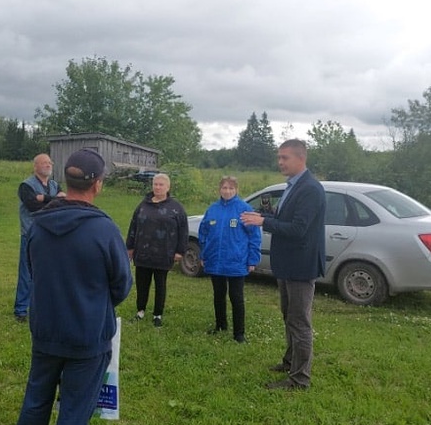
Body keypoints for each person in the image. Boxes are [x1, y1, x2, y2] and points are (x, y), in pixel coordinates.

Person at [9, 149, 132, 425]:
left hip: (46, 328)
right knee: (75, 411)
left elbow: (33, 270)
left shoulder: (38, 226)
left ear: (66, 179)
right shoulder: (104, 230)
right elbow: (122, 285)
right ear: (97, 185)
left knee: (37, 398)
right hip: (87, 334)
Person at [241, 139, 325, 390]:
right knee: (289, 316)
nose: (280, 162)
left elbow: (298, 229)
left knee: (299, 322)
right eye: (279, 157)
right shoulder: (291, 186)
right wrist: (262, 216)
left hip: (301, 265)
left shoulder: (310, 189)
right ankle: (290, 362)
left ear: (301, 158)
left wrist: (263, 223)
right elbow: (283, 218)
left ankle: (300, 379)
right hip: (287, 263)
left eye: (285, 158)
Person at [198, 176, 262, 342]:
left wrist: (252, 260)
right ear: (219, 189)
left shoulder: (244, 209)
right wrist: (203, 255)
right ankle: (220, 325)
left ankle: (239, 333)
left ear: (236, 190)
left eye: (231, 188)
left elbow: (254, 236)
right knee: (218, 294)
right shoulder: (212, 209)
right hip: (215, 260)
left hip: (236, 261)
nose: (227, 191)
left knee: (236, 297)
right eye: (224, 188)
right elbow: (203, 233)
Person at [125, 173, 188, 327]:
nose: (158, 187)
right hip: (143, 253)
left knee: (160, 285)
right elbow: (133, 226)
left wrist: (180, 251)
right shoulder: (143, 205)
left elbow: (183, 230)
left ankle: (157, 315)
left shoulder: (176, 208)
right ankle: (140, 311)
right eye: (155, 184)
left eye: (161, 185)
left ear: (168, 187)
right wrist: (130, 247)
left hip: (164, 253)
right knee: (142, 284)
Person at [13, 153, 65, 322]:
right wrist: (53, 200)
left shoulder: (54, 184)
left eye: (50, 162)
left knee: (49, 271)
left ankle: (44, 306)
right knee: (26, 272)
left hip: (50, 234)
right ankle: (21, 310)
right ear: (35, 166)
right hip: (31, 234)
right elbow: (32, 205)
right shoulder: (26, 186)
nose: (48, 165)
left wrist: (45, 198)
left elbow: (63, 203)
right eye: (44, 163)